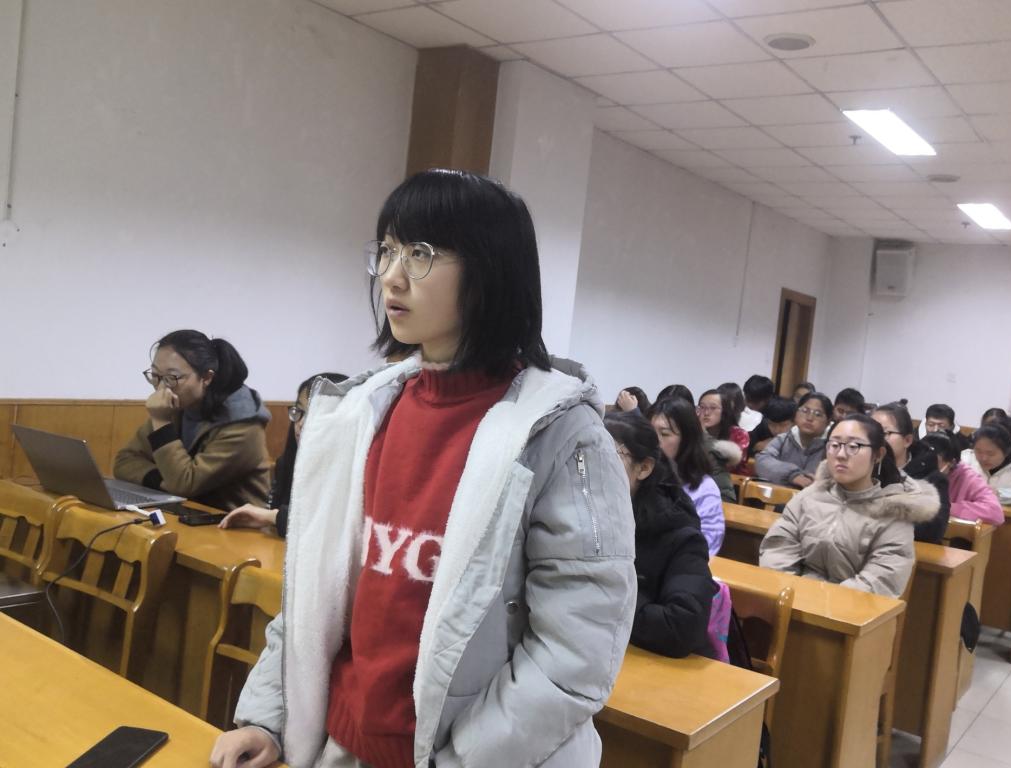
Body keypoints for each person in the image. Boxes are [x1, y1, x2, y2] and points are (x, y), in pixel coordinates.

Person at [210, 170, 637, 768]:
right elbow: (316, 589)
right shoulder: (365, 412)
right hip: (345, 743)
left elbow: (574, 655)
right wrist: (270, 717)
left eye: (421, 253)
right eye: (387, 250)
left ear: (490, 269)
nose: (392, 275)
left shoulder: (561, 435)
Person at [759, 414, 940, 598]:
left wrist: (822, 601)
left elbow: (881, 580)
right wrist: (791, 593)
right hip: (791, 600)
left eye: (854, 446)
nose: (841, 454)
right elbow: (778, 548)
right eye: (834, 445)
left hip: (849, 609)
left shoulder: (893, 513)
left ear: (878, 454)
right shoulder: (809, 497)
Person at [113, 330, 273, 510]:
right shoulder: (178, 405)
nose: (161, 388)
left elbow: (184, 485)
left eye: (172, 378)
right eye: (156, 376)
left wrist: (161, 422)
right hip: (186, 512)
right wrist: (165, 481)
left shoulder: (243, 424)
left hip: (231, 521)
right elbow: (124, 461)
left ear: (206, 377)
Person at [605, 411, 717, 659]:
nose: (590, 468)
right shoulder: (577, 517)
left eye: (606, 456)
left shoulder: (678, 534)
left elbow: (682, 626)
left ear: (644, 468)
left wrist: (602, 598)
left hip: (657, 665)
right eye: (582, 456)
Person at [219, 372, 348, 537]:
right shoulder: (287, 462)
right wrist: (273, 518)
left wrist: (273, 517)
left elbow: (330, 527)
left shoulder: (351, 472)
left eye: (315, 414)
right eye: (299, 411)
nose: (301, 423)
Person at [647, 398, 725, 556]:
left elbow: (707, 545)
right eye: (649, 433)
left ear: (686, 439)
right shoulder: (638, 476)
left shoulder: (704, 489)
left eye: (664, 434)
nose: (654, 442)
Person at [871, 402, 949, 543]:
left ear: (907, 440)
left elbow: (933, 531)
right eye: (870, 433)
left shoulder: (931, 477)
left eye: (884, 433)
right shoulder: (863, 470)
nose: (875, 440)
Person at [920, 431, 1004, 525]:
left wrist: (945, 507)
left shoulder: (968, 477)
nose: (926, 465)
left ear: (952, 462)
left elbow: (995, 513)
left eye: (934, 461)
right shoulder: (913, 468)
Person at [755, 392, 832, 488]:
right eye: (805, 410)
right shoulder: (783, 440)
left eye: (818, 414)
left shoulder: (831, 447)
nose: (809, 418)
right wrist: (792, 475)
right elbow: (762, 461)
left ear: (828, 422)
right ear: (796, 414)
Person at [962, 422, 1011, 507]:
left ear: (1006, 452)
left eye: (990, 454)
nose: (983, 458)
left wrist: (1000, 494)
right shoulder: (966, 458)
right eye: (978, 451)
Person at [698, 388, 749, 468]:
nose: (706, 413)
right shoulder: (694, 431)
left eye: (713, 408)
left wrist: (704, 434)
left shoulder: (739, 434)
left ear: (725, 411)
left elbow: (724, 466)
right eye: (702, 407)